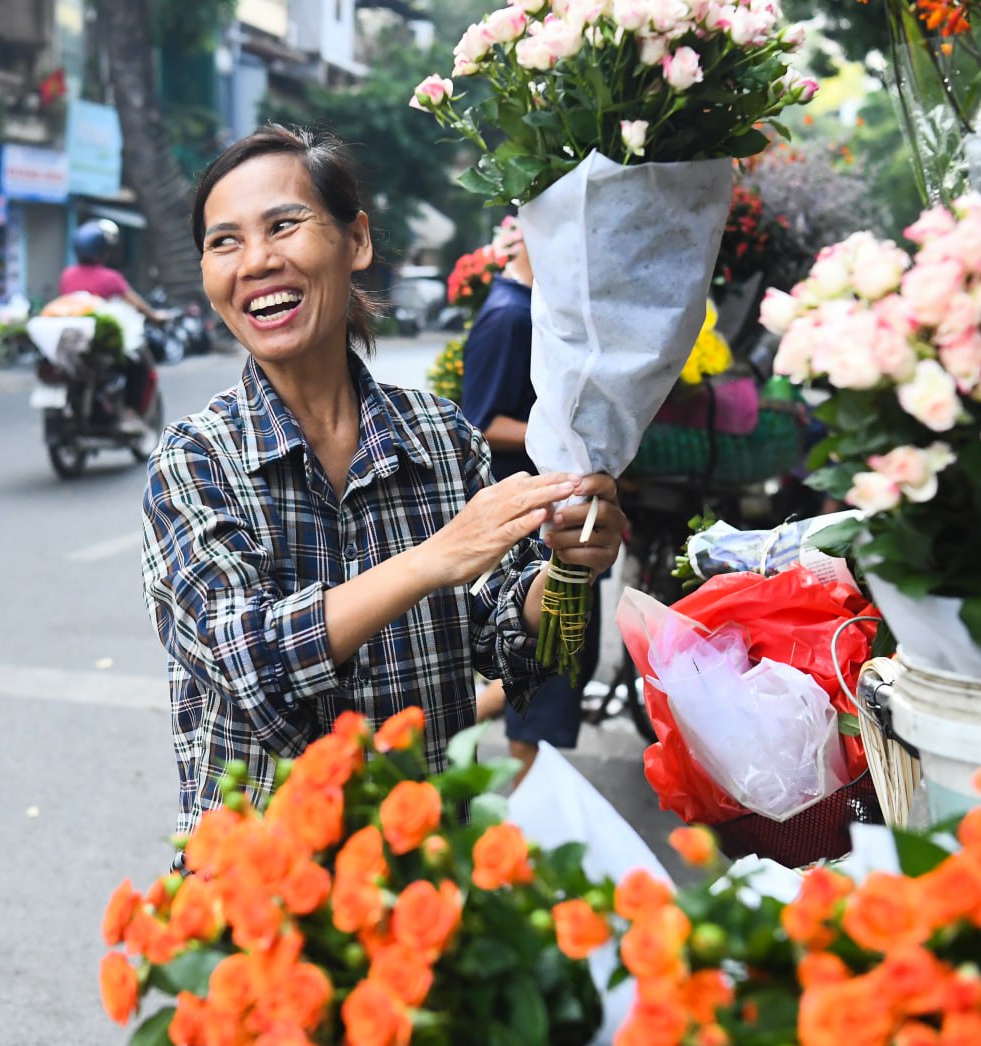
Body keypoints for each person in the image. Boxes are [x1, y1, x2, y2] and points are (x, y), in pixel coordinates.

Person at [140, 125, 626, 847]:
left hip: (425, 877)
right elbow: (247, 664)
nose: (258, 261)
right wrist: (434, 559)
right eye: (225, 241)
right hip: (265, 896)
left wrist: (568, 568)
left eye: (283, 225)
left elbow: (518, 653)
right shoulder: (195, 461)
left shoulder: (442, 436)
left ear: (355, 240)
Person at [460, 228, 606, 786]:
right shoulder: (509, 318)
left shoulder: (534, 313)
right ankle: (523, 820)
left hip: (549, 518)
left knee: (551, 665)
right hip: (531, 524)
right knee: (544, 674)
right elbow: (481, 421)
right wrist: (568, 442)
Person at [59, 219, 167, 433]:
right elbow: (137, 303)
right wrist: (155, 316)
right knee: (138, 368)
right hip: (99, 345)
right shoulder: (110, 278)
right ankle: (129, 412)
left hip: (72, 344)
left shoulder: (67, 275)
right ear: (102, 251)